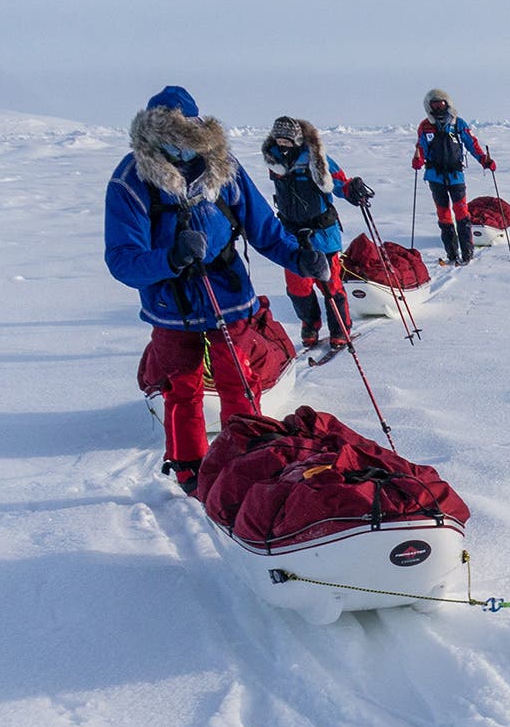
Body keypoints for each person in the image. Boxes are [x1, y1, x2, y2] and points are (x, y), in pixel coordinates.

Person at [104, 86, 316, 492]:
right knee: (181, 388)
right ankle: (189, 469)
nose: (181, 146)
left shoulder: (223, 167)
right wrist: (171, 258)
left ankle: (247, 461)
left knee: (239, 379)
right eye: (171, 136)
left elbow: (263, 228)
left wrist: (299, 258)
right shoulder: (131, 179)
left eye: (188, 135)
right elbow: (122, 259)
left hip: (228, 294)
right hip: (170, 303)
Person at [261, 116, 373, 352]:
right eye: (279, 140)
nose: (282, 144)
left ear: (297, 139)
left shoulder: (316, 157)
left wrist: (352, 190)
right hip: (291, 234)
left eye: (287, 140)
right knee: (297, 286)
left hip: (322, 233)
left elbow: (339, 182)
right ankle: (310, 324)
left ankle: (340, 328)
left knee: (330, 283)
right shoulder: (274, 160)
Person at [412, 88, 495, 266]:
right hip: (435, 177)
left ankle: (467, 253)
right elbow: (421, 147)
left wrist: (484, 160)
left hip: (456, 176)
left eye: (441, 104)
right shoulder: (425, 126)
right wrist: (418, 160)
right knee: (443, 215)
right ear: (429, 107)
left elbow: (471, 144)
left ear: (447, 104)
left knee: (461, 213)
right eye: (434, 105)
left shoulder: (458, 124)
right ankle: (451, 254)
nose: (438, 108)